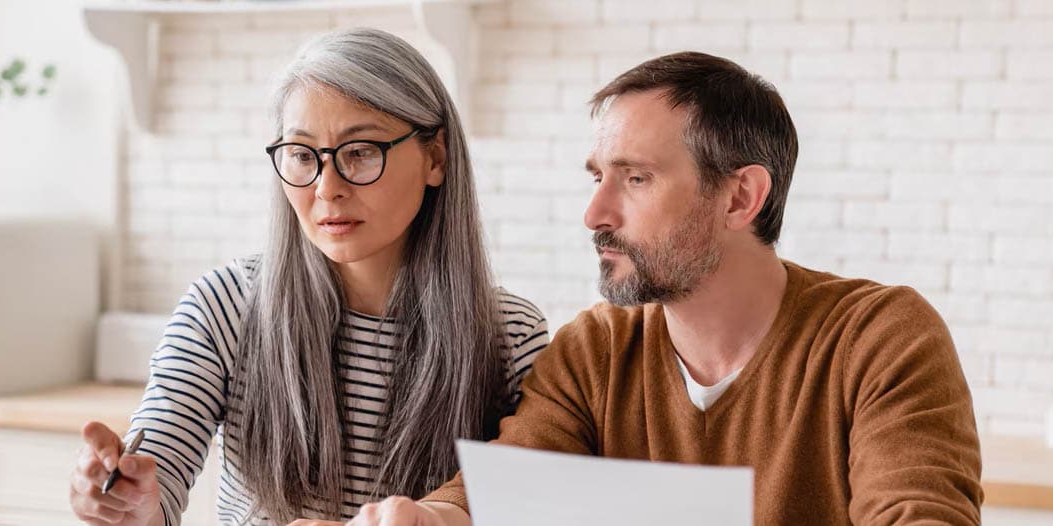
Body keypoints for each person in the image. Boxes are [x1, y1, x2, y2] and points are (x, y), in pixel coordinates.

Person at [345, 51, 983, 525]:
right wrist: (433, 518)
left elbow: (922, 514)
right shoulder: (595, 349)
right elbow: (509, 485)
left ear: (740, 197)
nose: (595, 213)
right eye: (597, 176)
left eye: (637, 178)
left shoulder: (881, 338)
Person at [67, 28, 548, 526]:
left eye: (360, 151)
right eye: (301, 155)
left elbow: (533, 506)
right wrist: (129, 501)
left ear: (436, 158)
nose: (327, 188)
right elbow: (156, 478)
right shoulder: (225, 305)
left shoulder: (510, 335)